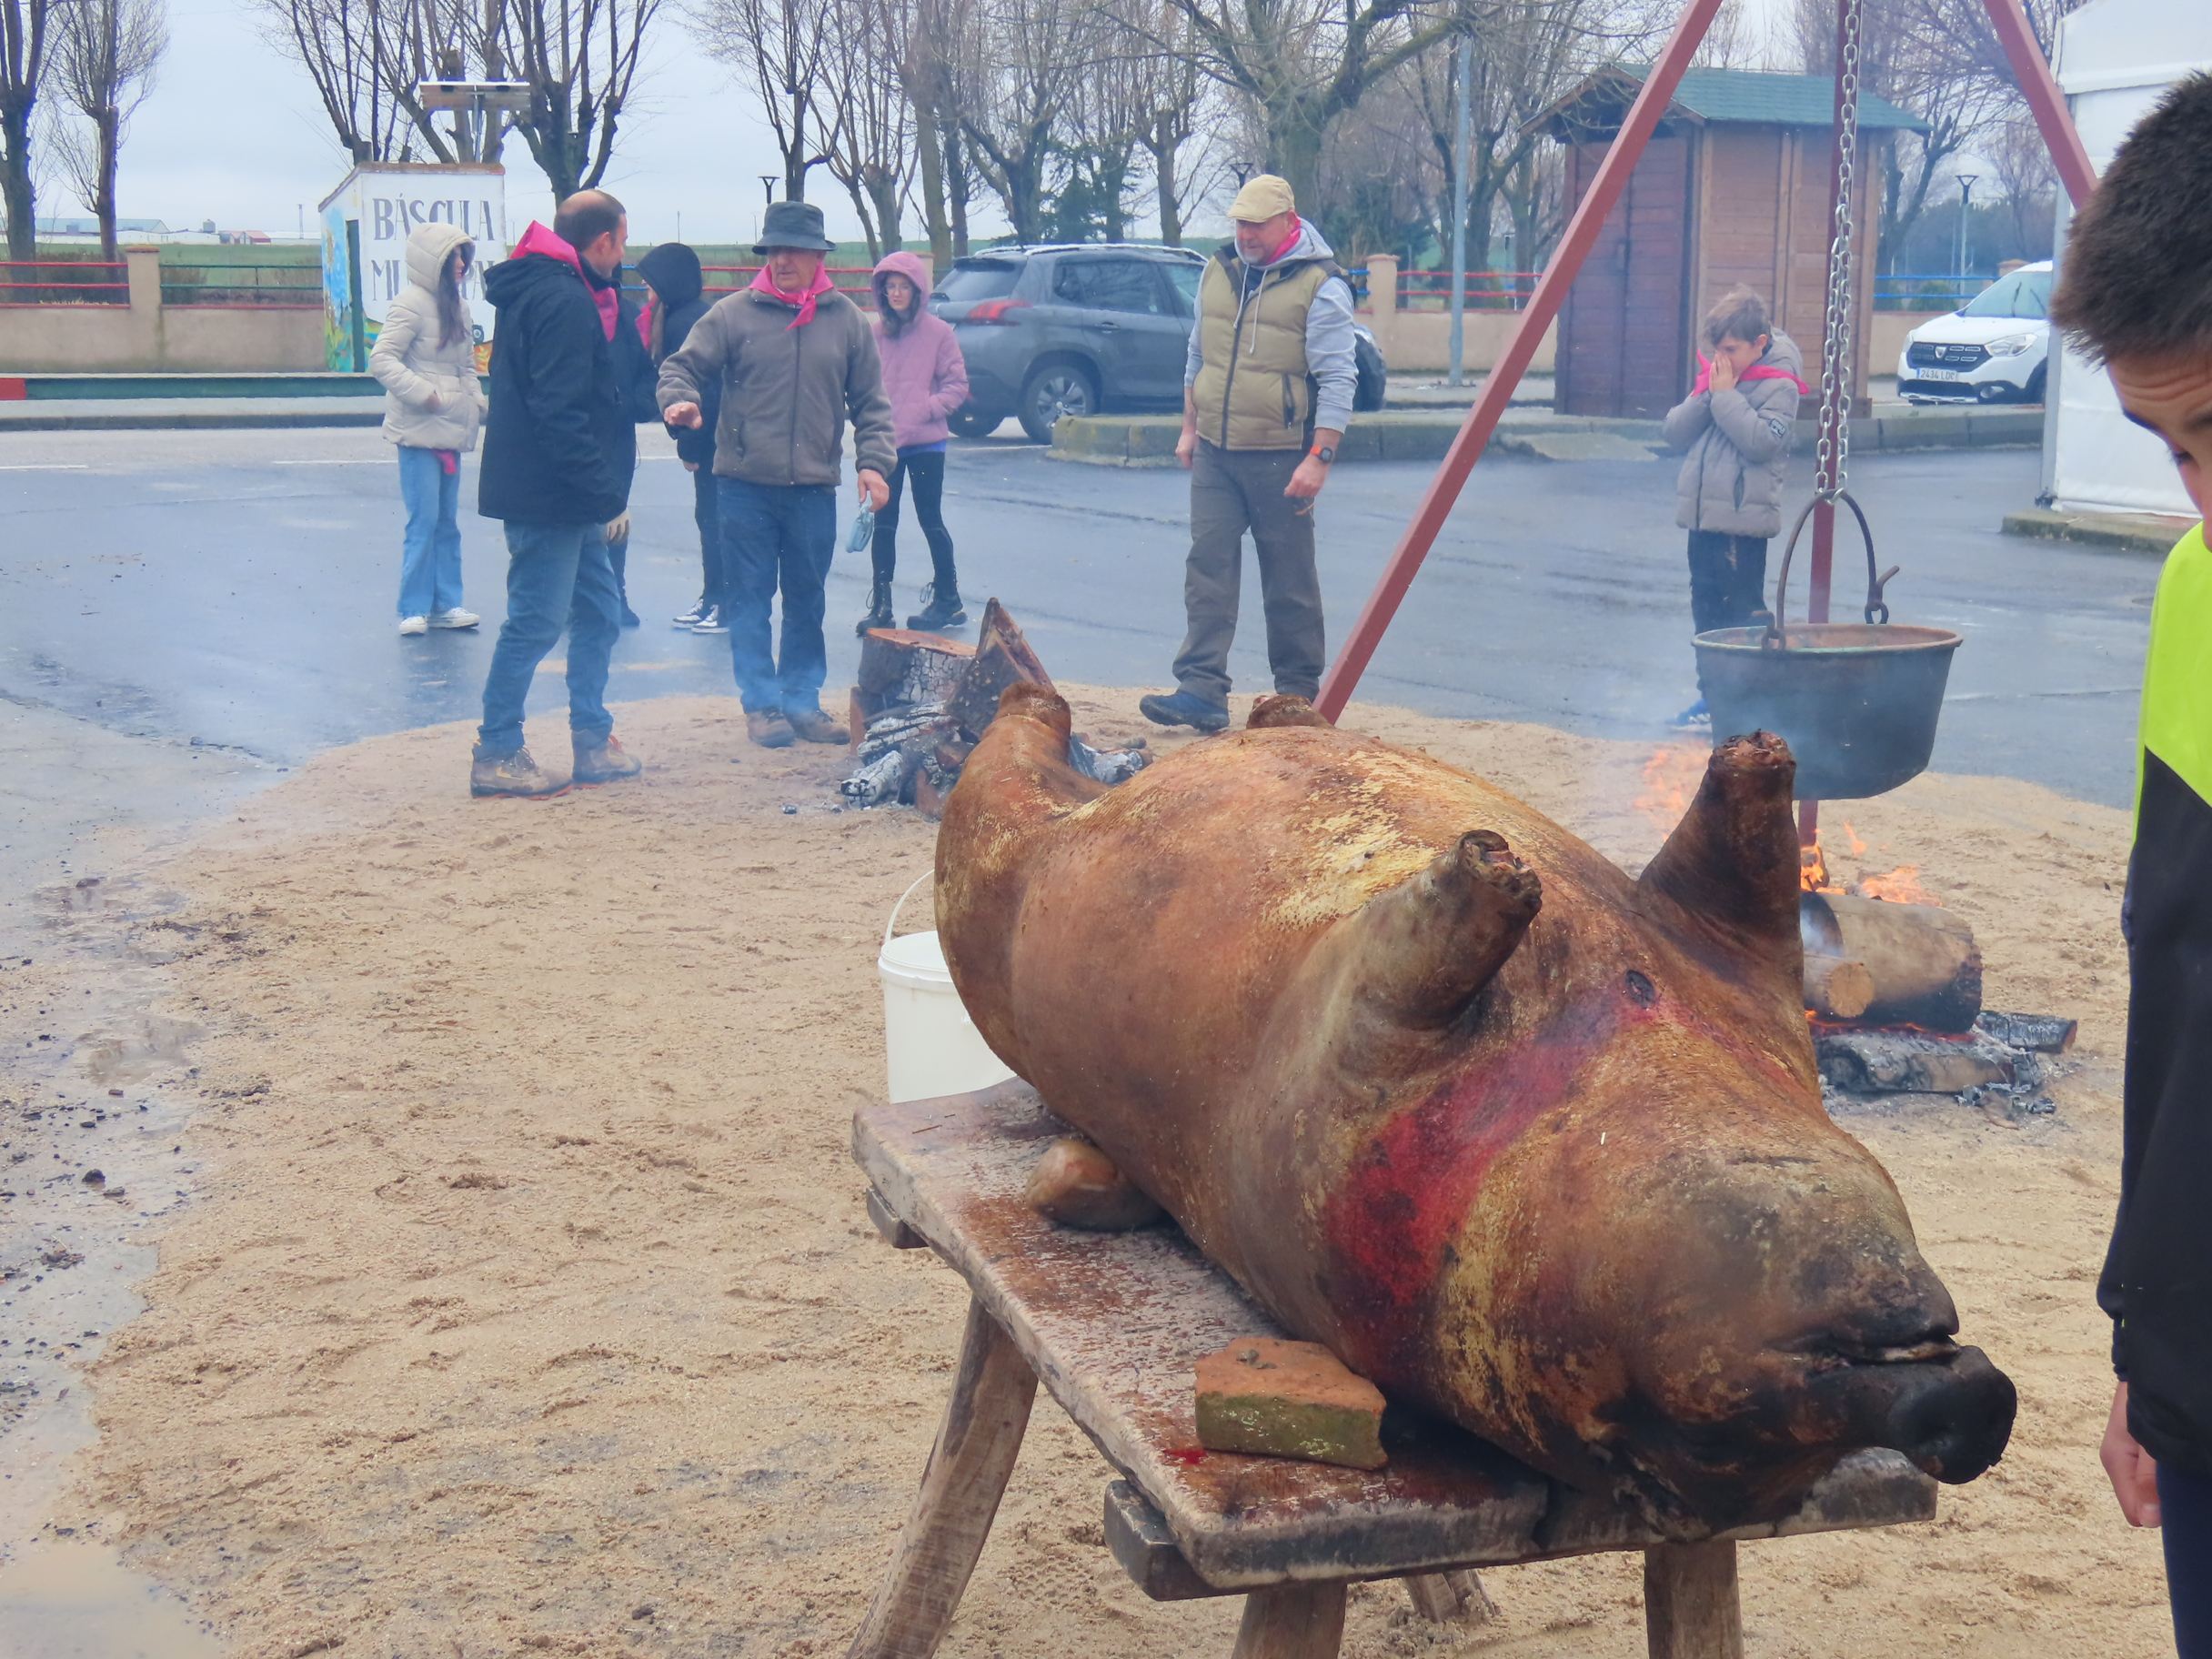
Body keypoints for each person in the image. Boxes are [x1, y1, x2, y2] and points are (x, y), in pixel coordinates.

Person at [2049, 70, 2212, 1659]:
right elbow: (2179, 985)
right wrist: (2149, 1340)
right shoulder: (2195, 597)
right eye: (2168, 447)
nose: (2205, 504)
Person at [659, 199, 896, 750]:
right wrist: (680, 401)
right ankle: (762, 705)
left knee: (808, 598)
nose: (783, 259)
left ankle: (803, 702)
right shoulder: (732, 314)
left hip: (813, 487)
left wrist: (873, 464)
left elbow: (872, 404)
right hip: (743, 486)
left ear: (818, 256)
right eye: (774, 249)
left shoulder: (847, 322)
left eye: (794, 250)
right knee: (749, 599)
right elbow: (681, 366)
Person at [1140, 174, 1358, 734]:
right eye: (1239, 223)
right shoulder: (1219, 271)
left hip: (1283, 454)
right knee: (1207, 564)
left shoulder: (1321, 284)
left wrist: (1320, 457)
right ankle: (1201, 689)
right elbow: (1198, 355)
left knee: (1289, 580)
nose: (1246, 234)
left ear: (1287, 221)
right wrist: (1190, 428)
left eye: (1256, 224)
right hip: (1215, 449)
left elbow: (1338, 376)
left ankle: (1296, 698)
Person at [470, 189, 644, 799]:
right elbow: (560, 413)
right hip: (550, 497)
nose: (623, 254)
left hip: (561, 495)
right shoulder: (565, 300)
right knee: (535, 623)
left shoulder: (542, 289)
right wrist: (606, 495)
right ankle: (496, 750)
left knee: (597, 612)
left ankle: (592, 739)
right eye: (622, 242)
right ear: (604, 242)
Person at [1660, 287, 1806, 731]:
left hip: (1742, 526)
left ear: (1759, 344)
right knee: (1705, 613)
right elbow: (1674, 432)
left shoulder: (1780, 385)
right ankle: (1712, 701)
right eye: (1716, 350)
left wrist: (1725, 396)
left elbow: (1762, 443)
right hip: (1704, 521)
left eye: (1730, 350)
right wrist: (1709, 393)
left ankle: (1756, 707)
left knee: (1741, 618)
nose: (1720, 358)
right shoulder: (1721, 379)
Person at [368, 220, 488, 637]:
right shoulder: (409, 304)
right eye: (454, 256)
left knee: (447, 522)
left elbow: (465, 366)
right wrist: (427, 395)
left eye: (463, 256)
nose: (461, 264)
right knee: (424, 520)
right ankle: (413, 607)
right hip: (419, 432)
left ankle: (447, 603)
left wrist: (475, 401)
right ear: (433, 261)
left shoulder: (459, 307)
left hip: (451, 430)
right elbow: (382, 360)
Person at [860, 249, 970, 635]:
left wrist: (926, 408)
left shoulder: (940, 334)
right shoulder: (873, 335)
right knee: (884, 523)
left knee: (930, 519)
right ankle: (882, 606)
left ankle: (948, 600)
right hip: (885, 443)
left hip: (926, 443)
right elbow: (861, 384)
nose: (895, 293)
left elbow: (957, 385)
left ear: (916, 289)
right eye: (888, 287)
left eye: (902, 286)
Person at [637, 240, 727, 635]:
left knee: (716, 520)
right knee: (708, 517)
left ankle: (725, 601)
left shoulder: (684, 322)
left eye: (650, 287)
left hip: (714, 438)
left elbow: (702, 390)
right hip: (714, 437)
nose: (646, 295)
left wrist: (690, 445)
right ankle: (712, 596)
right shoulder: (683, 316)